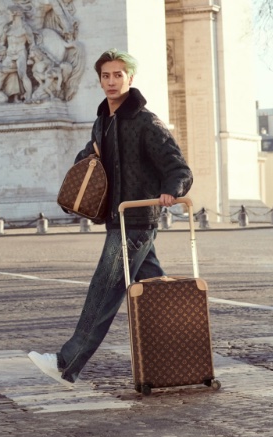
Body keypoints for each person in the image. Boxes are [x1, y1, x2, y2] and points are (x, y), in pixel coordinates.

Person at [28, 49, 194, 386]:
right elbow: (90, 161)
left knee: (103, 292)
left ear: (130, 78)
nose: (111, 81)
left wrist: (170, 190)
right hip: (117, 219)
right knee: (156, 295)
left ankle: (65, 363)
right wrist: (87, 160)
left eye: (118, 75)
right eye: (106, 75)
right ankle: (185, 360)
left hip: (134, 221)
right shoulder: (103, 120)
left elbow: (178, 166)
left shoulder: (146, 122)